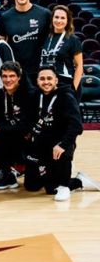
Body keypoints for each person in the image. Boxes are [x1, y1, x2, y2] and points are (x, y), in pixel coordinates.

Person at [22, 67, 85, 201]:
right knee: (31, 186)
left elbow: (76, 126)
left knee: (52, 189)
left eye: (49, 78)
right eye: (42, 79)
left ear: (56, 80)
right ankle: (52, 177)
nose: (46, 82)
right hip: (41, 145)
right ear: (37, 81)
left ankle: (73, 183)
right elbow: (28, 121)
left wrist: (63, 145)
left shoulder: (66, 96)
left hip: (59, 145)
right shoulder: (34, 96)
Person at [0, 61, 31, 190]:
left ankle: (22, 166)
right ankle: (7, 173)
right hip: (12, 135)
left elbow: (26, 127)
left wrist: (1, 129)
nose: (8, 80)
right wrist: (0, 129)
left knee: (33, 185)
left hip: (29, 140)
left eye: (12, 76)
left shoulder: (29, 94)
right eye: (4, 76)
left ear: (19, 77)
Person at [0, 0, 50, 87]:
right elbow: (1, 44)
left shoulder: (44, 14)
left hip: (41, 71)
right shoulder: (5, 17)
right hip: (16, 72)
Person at [40, 4, 83, 94]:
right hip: (47, 84)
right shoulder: (45, 37)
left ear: (68, 21)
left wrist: (73, 89)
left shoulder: (73, 39)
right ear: (52, 19)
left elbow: (79, 66)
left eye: (63, 18)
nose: (59, 20)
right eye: (56, 17)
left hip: (66, 84)